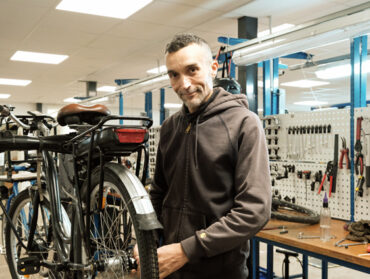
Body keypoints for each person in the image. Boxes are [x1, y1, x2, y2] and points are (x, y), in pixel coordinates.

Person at [148, 33, 271, 279]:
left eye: (192, 70)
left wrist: (187, 249)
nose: (184, 84)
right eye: (174, 74)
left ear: (212, 68)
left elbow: (254, 209)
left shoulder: (244, 123)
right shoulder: (170, 127)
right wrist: (147, 242)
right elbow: (158, 193)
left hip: (220, 271)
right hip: (171, 267)